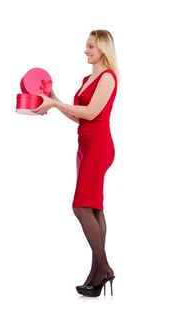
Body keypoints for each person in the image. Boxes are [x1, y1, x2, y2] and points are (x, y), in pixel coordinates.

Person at [32, 29, 118, 297]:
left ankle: (104, 268)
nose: (86, 50)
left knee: (81, 207)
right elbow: (81, 118)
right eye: (86, 46)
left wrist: (57, 104)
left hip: (99, 147)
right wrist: (55, 101)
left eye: (91, 46)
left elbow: (92, 112)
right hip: (85, 147)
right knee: (93, 207)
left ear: (103, 48)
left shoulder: (107, 77)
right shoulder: (87, 79)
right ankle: (96, 273)